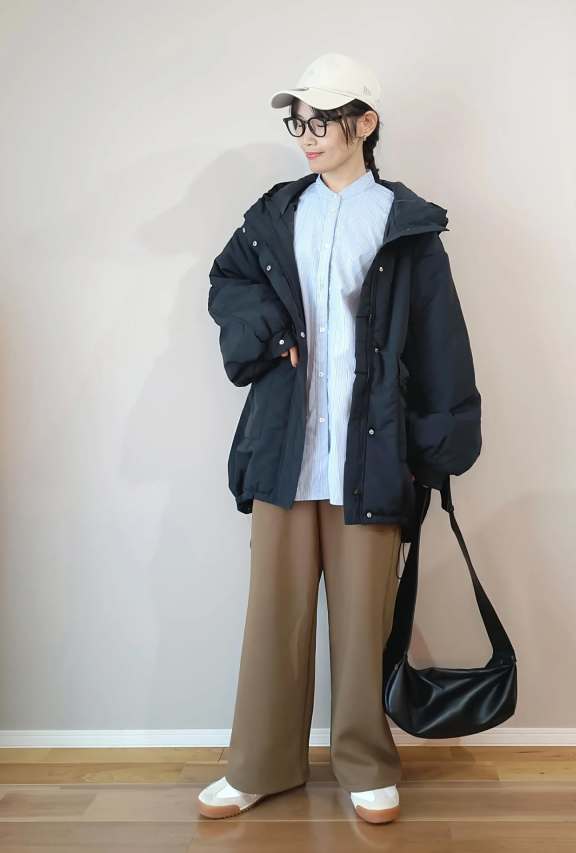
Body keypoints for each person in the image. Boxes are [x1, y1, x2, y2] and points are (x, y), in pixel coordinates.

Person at [198, 53, 482, 824]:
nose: (307, 135)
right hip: (285, 447)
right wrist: (268, 331)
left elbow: (441, 341)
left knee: (364, 622)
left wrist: (439, 445)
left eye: (322, 120)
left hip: (371, 451)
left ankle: (365, 764)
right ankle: (260, 764)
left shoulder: (405, 223)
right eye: (299, 122)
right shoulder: (274, 216)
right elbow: (229, 283)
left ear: (367, 121)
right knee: (274, 618)